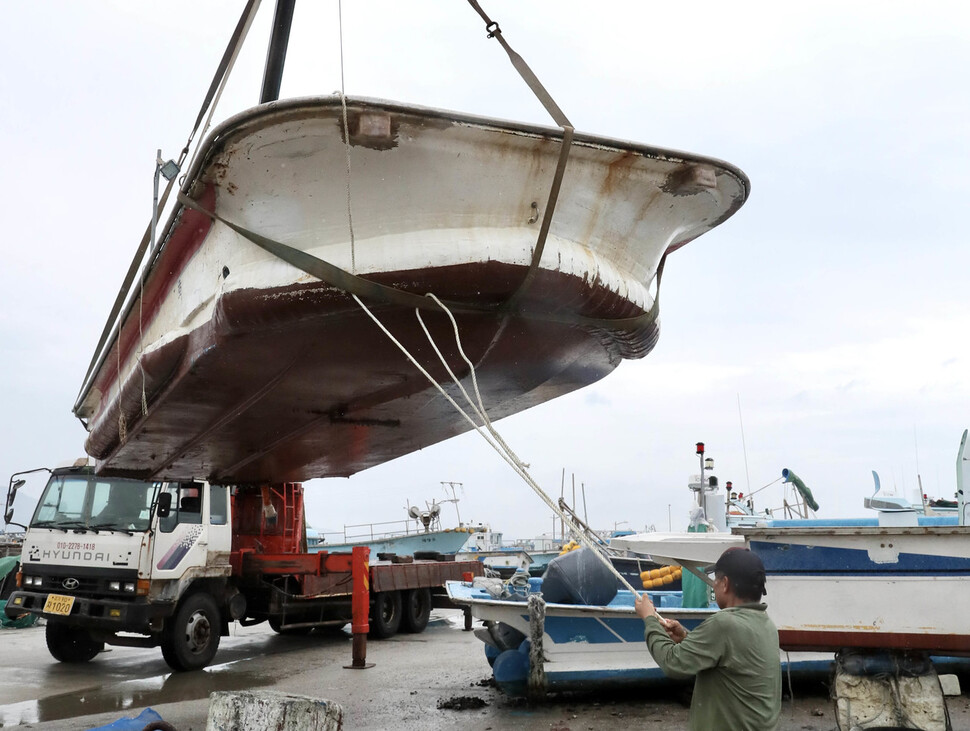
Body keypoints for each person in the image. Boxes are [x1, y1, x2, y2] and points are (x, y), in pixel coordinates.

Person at [634, 547, 781, 730]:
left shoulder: (725, 623)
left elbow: (672, 663)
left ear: (725, 584)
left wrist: (649, 618)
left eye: (716, 580)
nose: (714, 585)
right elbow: (726, 656)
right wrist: (685, 637)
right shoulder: (767, 625)